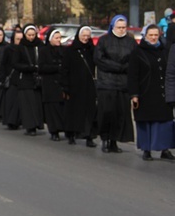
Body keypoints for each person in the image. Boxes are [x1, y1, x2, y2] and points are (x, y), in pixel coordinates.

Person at [128, 24, 175, 160]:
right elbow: (133, 75)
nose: (154, 38)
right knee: (146, 122)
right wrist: (134, 94)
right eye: (151, 35)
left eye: (156, 35)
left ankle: (164, 149)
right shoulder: (138, 52)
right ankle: (146, 149)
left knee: (165, 122)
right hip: (145, 93)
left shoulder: (164, 50)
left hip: (162, 92)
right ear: (145, 36)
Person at [95, 14, 137, 153]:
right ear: (113, 27)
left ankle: (114, 141)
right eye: (118, 27)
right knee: (107, 113)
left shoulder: (130, 42)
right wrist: (118, 67)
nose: (121, 30)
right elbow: (99, 60)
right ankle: (105, 139)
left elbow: (135, 60)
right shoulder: (104, 40)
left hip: (123, 85)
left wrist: (125, 68)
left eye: (124, 27)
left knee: (120, 114)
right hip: (107, 83)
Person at [60, 26, 98, 147]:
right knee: (73, 112)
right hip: (74, 86)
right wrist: (65, 86)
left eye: (88, 36)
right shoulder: (70, 51)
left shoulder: (92, 50)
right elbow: (64, 70)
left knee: (90, 112)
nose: (85, 38)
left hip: (89, 86)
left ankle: (89, 136)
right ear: (78, 35)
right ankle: (71, 134)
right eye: (83, 35)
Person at [13, 24, 43, 136]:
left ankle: (37, 124)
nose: (31, 37)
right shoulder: (20, 47)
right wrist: (28, 67)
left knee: (36, 103)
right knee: (27, 104)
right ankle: (30, 126)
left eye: (33, 35)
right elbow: (15, 63)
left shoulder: (40, 45)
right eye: (29, 35)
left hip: (37, 79)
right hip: (25, 79)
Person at [38, 28, 65, 141]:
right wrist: (56, 68)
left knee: (61, 108)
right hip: (49, 84)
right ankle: (54, 131)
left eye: (60, 38)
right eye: (56, 38)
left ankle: (63, 128)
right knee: (51, 109)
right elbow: (42, 67)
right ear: (50, 39)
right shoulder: (44, 51)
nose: (59, 40)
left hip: (61, 83)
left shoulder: (63, 50)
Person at [1, 29, 23, 130]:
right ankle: (11, 121)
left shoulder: (24, 49)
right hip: (11, 78)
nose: (19, 41)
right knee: (11, 101)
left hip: (22, 78)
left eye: (21, 39)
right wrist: (3, 77)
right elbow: (3, 64)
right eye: (17, 39)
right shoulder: (8, 49)